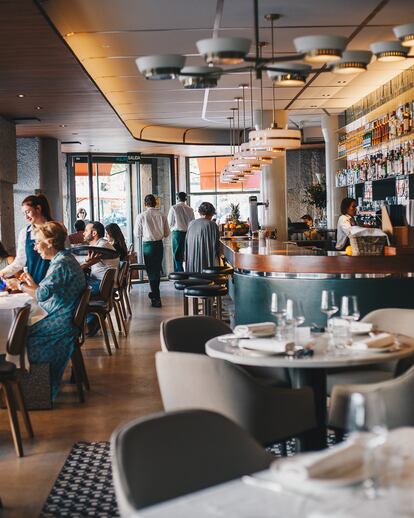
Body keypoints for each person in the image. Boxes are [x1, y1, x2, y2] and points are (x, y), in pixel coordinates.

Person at [18, 221, 86, 399]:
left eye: (37, 242)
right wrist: (31, 284)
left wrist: (19, 285)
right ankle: (33, 388)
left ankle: (34, 391)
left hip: (62, 321)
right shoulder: (64, 259)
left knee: (21, 334)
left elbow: (41, 295)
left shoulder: (60, 264)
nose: (35, 247)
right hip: (65, 316)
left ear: (49, 242)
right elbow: (45, 292)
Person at [0, 194, 52, 284]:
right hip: (33, 282)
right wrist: (3, 272)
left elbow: (66, 253)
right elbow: (20, 261)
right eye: (24, 214)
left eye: (27, 212)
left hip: (53, 281)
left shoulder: (56, 229)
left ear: (38, 208)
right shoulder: (25, 233)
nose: (26, 217)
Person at [134, 194, 169, 308]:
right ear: (155, 203)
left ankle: (156, 297)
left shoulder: (141, 216)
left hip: (148, 245)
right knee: (156, 270)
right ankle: (155, 294)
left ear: (145, 204)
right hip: (159, 245)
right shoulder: (162, 215)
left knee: (150, 271)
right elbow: (167, 233)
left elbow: (137, 234)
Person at [81, 221, 120, 295]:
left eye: (86, 230)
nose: (83, 233)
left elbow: (85, 265)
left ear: (94, 233)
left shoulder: (101, 247)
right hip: (103, 284)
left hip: (102, 286)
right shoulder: (102, 244)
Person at [185, 201, 220, 273]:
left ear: (199, 212)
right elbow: (216, 246)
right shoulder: (212, 225)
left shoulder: (191, 223)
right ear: (212, 213)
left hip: (192, 266)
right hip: (206, 268)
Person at [167, 192, 194, 272]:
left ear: (177, 198)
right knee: (186, 254)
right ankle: (187, 273)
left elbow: (170, 223)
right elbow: (192, 222)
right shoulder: (190, 209)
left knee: (177, 254)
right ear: (185, 199)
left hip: (177, 234)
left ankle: (180, 274)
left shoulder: (174, 208)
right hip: (188, 234)